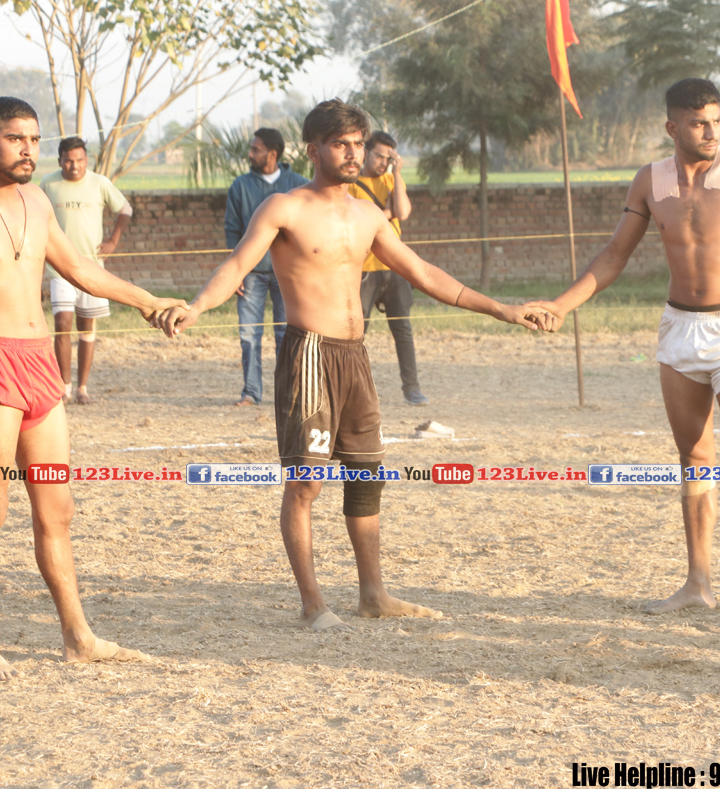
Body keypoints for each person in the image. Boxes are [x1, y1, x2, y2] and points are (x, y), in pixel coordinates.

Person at [158, 100, 543, 632]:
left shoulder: (369, 215)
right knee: (306, 484)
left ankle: (373, 595)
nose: (353, 153)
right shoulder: (283, 209)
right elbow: (237, 265)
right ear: (313, 149)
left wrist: (502, 309)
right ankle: (312, 604)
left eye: (359, 144)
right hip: (309, 354)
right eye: (341, 144)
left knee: (367, 475)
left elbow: (424, 273)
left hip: (355, 356)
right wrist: (197, 306)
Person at [0, 96, 180, 680]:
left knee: (58, 510)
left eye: (34, 139)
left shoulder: (37, 200)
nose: (28, 149)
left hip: (40, 368)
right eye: (15, 139)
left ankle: (79, 637)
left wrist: (147, 302)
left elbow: (81, 270)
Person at [527, 79, 720, 623]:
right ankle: (698, 584)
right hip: (679, 328)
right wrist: (562, 305)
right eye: (699, 123)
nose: (711, 132)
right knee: (693, 458)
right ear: (672, 127)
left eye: (716, 121)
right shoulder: (650, 181)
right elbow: (615, 254)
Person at [41, 137, 133, 405]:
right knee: (62, 323)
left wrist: (113, 240)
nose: (74, 166)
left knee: (86, 326)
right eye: (68, 161)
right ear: (60, 161)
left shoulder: (99, 183)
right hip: (59, 269)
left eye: (79, 160)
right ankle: (64, 388)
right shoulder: (48, 184)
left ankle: (82, 388)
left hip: (92, 268)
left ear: (86, 160)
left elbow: (125, 209)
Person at [225, 128, 308, 407]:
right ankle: (251, 392)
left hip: (289, 275)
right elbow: (232, 230)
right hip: (251, 274)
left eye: (255, 149)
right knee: (249, 335)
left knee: (288, 335)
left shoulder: (299, 185)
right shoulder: (239, 186)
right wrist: (235, 271)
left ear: (272, 154)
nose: (250, 154)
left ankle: (289, 394)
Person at [348, 131, 428, 405]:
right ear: (366, 153)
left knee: (403, 330)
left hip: (394, 268)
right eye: (379, 156)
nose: (383, 162)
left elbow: (402, 212)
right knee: (356, 333)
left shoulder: (392, 180)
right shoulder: (351, 185)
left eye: (388, 158)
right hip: (364, 269)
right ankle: (352, 390)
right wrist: (387, 213)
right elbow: (358, 221)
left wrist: (398, 174)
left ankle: (412, 389)